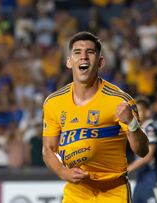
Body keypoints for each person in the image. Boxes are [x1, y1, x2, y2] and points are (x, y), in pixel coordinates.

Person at [42, 31, 149, 202]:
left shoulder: (119, 101)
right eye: (77, 52)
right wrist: (63, 172)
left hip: (113, 190)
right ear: (69, 62)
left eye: (90, 52)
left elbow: (142, 151)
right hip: (77, 191)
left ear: (100, 62)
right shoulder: (53, 102)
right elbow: (48, 149)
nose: (83, 57)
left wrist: (132, 122)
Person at [128, 96, 157, 203]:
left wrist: (128, 169)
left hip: (152, 178)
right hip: (141, 178)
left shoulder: (150, 129)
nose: (135, 113)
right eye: (134, 110)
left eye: (138, 110)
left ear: (148, 112)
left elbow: (148, 156)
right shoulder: (140, 130)